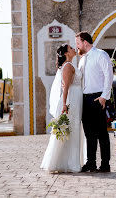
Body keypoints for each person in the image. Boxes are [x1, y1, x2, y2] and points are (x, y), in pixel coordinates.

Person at [41, 44, 84, 172]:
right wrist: (64, 104)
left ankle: (72, 162)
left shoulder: (70, 65)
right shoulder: (68, 66)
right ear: (66, 53)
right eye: (71, 48)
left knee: (74, 129)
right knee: (72, 128)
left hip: (76, 98)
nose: (73, 49)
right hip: (72, 100)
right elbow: (65, 88)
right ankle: (70, 164)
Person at [76, 31, 113, 173]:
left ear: (85, 42)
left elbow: (108, 75)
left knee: (102, 133)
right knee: (89, 133)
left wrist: (104, 96)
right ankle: (90, 162)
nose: (77, 46)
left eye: (78, 43)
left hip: (98, 98)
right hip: (85, 99)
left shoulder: (101, 55)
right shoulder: (83, 59)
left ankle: (105, 164)